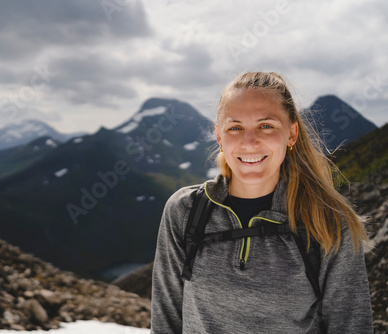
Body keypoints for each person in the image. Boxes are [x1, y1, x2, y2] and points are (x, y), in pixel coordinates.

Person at [151, 72, 373, 333]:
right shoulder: (185, 211)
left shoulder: (328, 221)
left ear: (291, 134)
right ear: (219, 137)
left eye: (266, 125)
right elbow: (165, 323)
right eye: (235, 128)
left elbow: (351, 326)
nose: (249, 142)